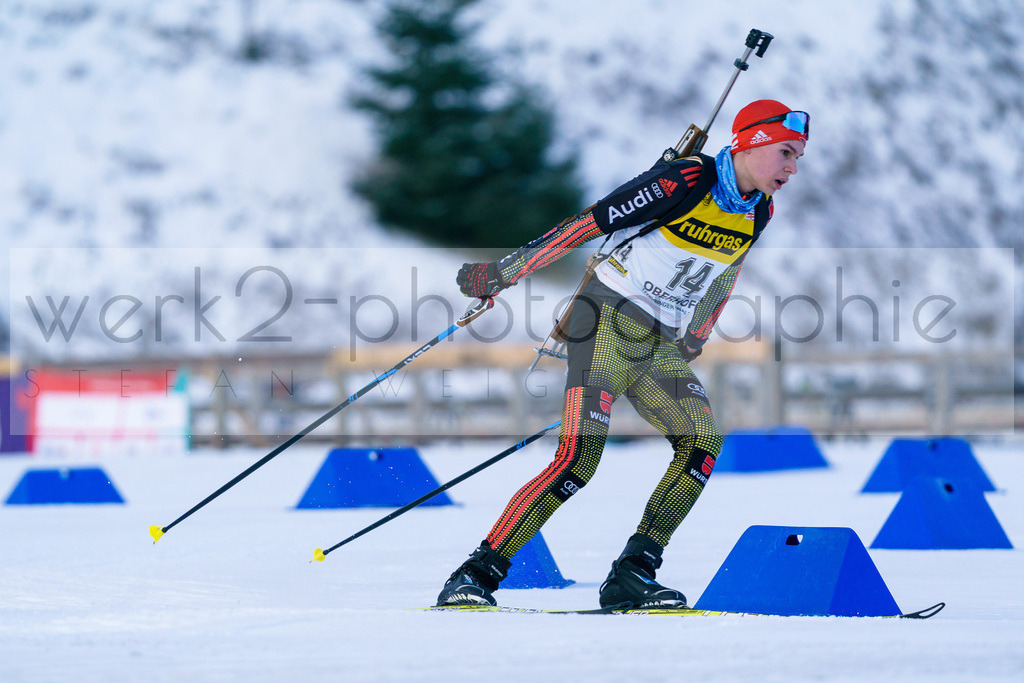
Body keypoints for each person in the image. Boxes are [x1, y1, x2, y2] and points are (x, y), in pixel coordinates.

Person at [437, 100, 809, 609]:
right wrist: (505, 272)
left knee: (701, 442)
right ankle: (475, 575)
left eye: (799, 158)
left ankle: (633, 574)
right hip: (606, 320)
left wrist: (697, 333)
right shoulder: (684, 181)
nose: (792, 168)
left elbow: (728, 268)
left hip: (658, 342)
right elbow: (587, 225)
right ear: (751, 142)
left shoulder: (759, 209)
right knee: (578, 460)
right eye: (786, 153)